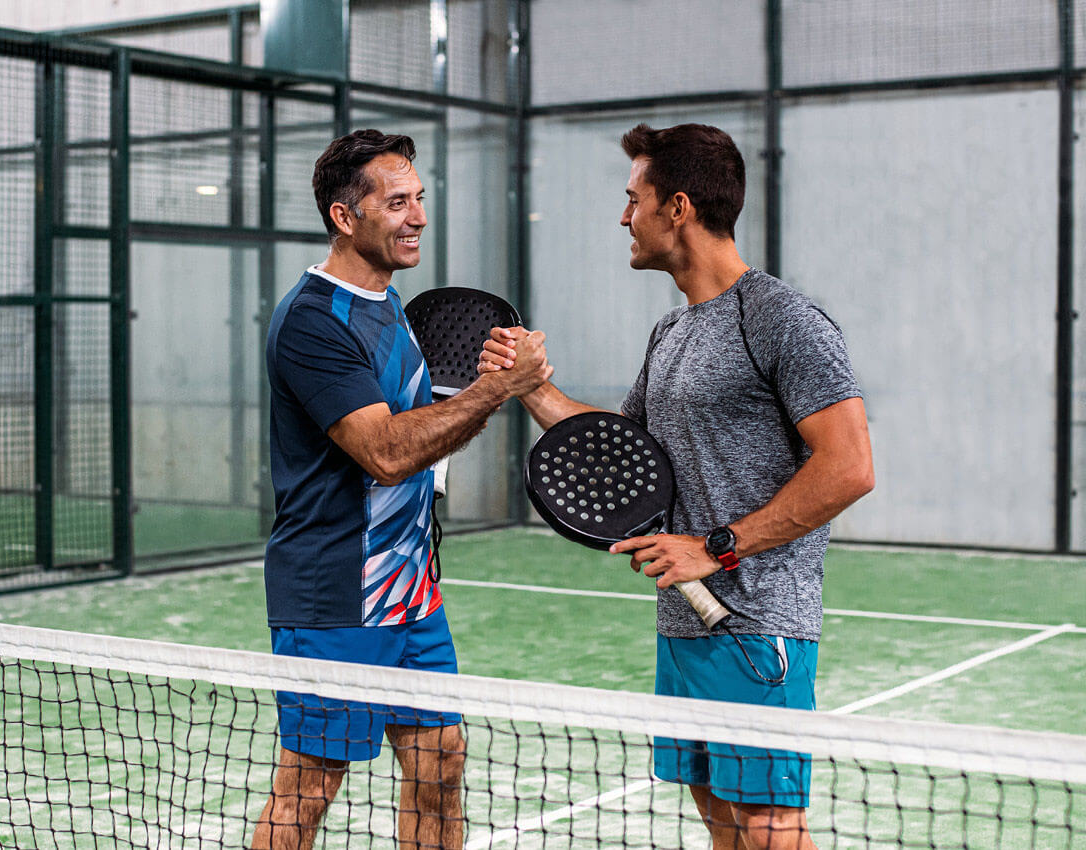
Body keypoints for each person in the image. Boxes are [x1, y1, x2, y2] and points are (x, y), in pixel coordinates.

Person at [480, 123, 874, 850]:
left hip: (755, 625)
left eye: (633, 199)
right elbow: (619, 449)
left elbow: (849, 466)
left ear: (678, 207)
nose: (622, 216)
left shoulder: (783, 320)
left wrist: (716, 548)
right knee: (722, 822)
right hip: (684, 624)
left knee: (767, 828)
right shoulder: (673, 332)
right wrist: (530, 386)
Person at [253, 129, 551, 850]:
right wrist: (495, 391)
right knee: (310, 785)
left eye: (419, 198)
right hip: (336, 594)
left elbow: (423, 435)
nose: (418, 215)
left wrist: (485, 394)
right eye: (396, 202)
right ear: (344, 217)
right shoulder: (313, 321)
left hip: (409, 591)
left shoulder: (389, 305)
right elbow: (386, 454)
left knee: (439, 763)